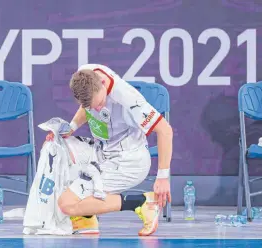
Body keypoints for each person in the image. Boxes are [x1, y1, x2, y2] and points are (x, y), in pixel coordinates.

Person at [47, 64, 173, 236]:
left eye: (99, 103)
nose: (98, 109)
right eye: (93, 107)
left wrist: (163, 177)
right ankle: (87, 217)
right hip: (102, 152)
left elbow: (165, 131)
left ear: (104, 83)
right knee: (58, 147)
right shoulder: (86, 74)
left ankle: (141, 203)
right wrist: (72, 127)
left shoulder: (128, 99)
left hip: (128, 161)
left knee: (66, 204)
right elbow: (87, 106)